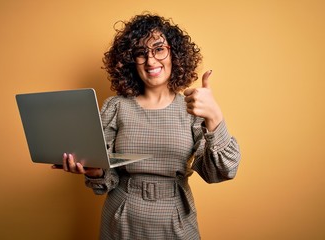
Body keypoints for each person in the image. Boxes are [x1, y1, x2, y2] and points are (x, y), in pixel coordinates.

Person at [53, 13, 241, 239]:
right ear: (132, 61)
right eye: (140, 54)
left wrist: (214, 118)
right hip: (122, 220)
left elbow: (219, 173)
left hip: (176, 219)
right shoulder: (116, 107)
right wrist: (96, 171)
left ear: (175, 54)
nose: (151, 61)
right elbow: (107, 176)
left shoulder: (193, 108)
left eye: (159, 49)